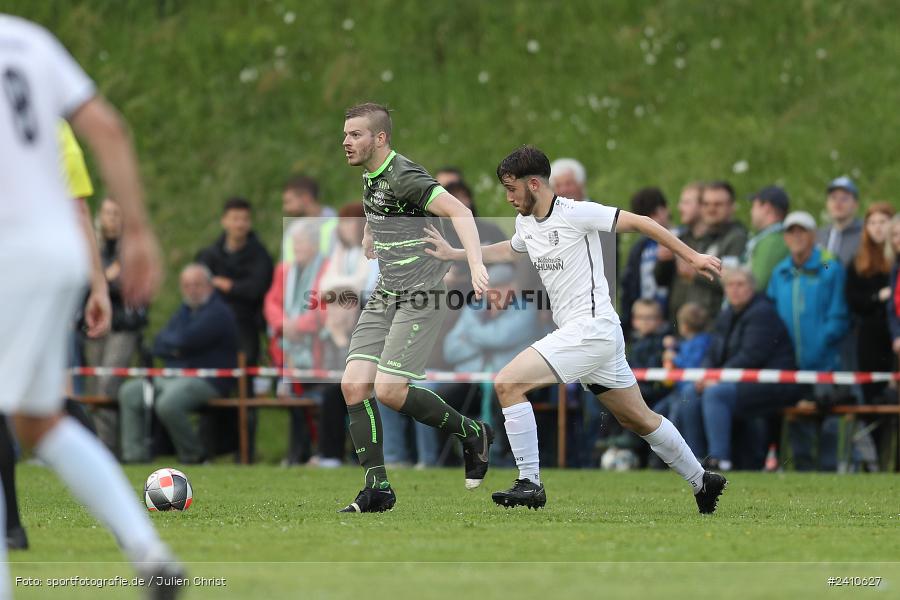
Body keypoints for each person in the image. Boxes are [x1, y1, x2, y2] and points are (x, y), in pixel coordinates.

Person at [425, 146, 726, 514]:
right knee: (638, 417)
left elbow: (643, 223)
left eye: (512, 188)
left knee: (507, 383)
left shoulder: (575, 212)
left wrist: (692, 256)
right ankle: (703, 480)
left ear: (534, 184)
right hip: (594, 336)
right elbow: (510, 250)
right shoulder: (525, 222)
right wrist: (455, 253)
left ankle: (530, 482)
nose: (508, 197)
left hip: (592, 329)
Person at [0, 14, 179, 596]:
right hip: (54, 255)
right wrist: (137, 232)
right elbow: (107, 128)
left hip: (6, 250)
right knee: (39, 418)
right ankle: (148, 552)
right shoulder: (29, 39)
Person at [338, 102, 493, 513]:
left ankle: (473, 432)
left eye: (355, 134)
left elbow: (459, 210)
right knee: (353, 385)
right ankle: (378, 489)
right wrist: (372, 233)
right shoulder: (373, 174)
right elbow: (385, 206)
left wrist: (473, 261)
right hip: (387, 293)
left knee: (389, 391)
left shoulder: (405, 174)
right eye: (345, 134)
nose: (346, 142)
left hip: (422, 295)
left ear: (380, 138)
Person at [676, 268, 798, 470]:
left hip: (772, 384)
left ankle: (720, 460)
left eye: (740, 284)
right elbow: (712, 354)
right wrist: (704, 376)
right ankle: (695, 460)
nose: (735, 290)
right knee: (690, 391)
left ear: (752, 288)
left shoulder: (763, 313)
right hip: (736, 381)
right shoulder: (726, 315)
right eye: (731, 285)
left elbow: (752, 356)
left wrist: (717, 379)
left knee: (716, 393)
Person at [119, 264, 239, 464]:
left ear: (209, 286)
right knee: (130, 393)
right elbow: (159, 342)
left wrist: (176, 346)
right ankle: (134, 456)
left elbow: (188, 340)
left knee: (168, 403)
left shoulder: (219, 313)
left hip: (207, 379)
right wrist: (175, 346)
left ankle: (194, 455)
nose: (192, 289)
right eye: (187, 285)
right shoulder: (184, 311)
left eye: (197, 284)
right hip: (173, 375)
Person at [768, 211, 850, 471]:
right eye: (791, 231)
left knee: (828, 423)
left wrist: (824, 342)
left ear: (813, 235)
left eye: (802, 231)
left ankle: (831, 474)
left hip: (825, 363)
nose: (796, 236)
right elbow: (771, 313)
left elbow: (839, 314)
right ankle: (804, 476)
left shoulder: (830, 266)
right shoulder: (779, 272)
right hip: (792, 365)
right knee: (798, 425)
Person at [83, 198, 148, 452]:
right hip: (95, 322)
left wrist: (102, 280)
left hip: (124, 324)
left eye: (116, 213)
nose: (112, 218)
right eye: (107, 213)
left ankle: (107, 449)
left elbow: (128, 282)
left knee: (108, 385)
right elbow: (84, 280)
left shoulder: (131, 248)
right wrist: (105, 278)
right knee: (92, 388)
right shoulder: (94, 247)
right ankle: (93, 446)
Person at [264, 219, 329, 465]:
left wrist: (297, 326)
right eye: (295, 242)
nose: (298, 247)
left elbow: (326, 306)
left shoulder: (326, 268)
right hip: (287, 350)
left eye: (302, 242)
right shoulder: (284, 270)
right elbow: (272, 301)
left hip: (317, 350)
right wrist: (282, 325)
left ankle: (321, 451)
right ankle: (297, 452)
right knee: (294, 403)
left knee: (318, 402)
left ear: (314, 244)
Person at [195, 197, 273, 369]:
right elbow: (199, 286)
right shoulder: (209, 255)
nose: (240, 224)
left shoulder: (260, 256)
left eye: (245, 219)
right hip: (211, 317)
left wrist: (229, 286)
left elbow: (257, 288)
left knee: (246, 360)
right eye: (235, 219)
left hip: (246, 320)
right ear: (224, 221)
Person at [656, 181, 747, 323]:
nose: (711, 209)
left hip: (712, 323)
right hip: (684, 322)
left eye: (718, 204)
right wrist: (663, 261)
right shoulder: (700, 237)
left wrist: (694, 273)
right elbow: (661, 280)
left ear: (732, 207)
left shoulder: (736, 237)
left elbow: (732, 281)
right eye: (706, 204)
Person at [846, 203, 895, 404]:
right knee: (873, 395)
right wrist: (878, 297)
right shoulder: (857, 261)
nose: (877, 227)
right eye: (872, 222)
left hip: (894, 334)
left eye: (883, 222)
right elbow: (853, 298)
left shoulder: (896, 261)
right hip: (870, 336)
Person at [620, 187, 671, 341]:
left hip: (668, 318)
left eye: (655, 214)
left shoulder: (680, 240)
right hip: (642, 323)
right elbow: (629, 284)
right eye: (646, 217)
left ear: (666, 210)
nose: (652, 222)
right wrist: (628, 320)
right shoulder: (639, 248)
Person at [744, 185, 789, 291]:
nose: (751, 212)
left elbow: (757, 284)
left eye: (754, 206)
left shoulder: (772, 242)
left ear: (766, 208)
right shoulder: (772, 237)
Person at [281, 174, 337, 259]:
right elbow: (287, 266)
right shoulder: (292, 230)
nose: (285, 208)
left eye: (289, 201)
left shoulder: (337, 225)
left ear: (305, 198)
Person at [817, 176, 862, 268]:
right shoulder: (819, 236)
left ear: (855, 204)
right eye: (833, 198)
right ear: (827, 203)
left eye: (844, 198)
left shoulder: (865, 235)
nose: (838, 203)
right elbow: (824, 266)